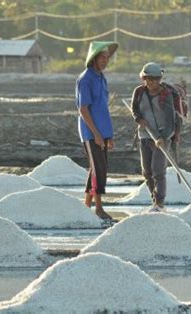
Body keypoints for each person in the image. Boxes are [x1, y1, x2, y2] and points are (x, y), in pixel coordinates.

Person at [76, 41, 118, 220]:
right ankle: (98, 208)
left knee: (97, 168)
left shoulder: (101, 78)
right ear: (93, 58)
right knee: (98, 169)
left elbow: (102, 108)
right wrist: (96, 134)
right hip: (90, 131)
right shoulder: (85, 79)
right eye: (101, 57)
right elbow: (83, 109)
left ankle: (86, 207)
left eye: (107, 58)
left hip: (102, 131)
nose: (105, 61)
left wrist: (108, 135)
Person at [131, 62, 177, 212]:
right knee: (147, 172)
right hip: (145, 135)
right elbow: (135, 110)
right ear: (144, 79)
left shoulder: (166, 95)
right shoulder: (139, 92)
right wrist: (139, 119)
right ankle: (154, 201)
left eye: (156, 79)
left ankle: (160, 202)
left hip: (162, 136)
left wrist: (163, 137)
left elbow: (171, 119)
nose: (153, 83)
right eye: (150, 79)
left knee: (158, 171)